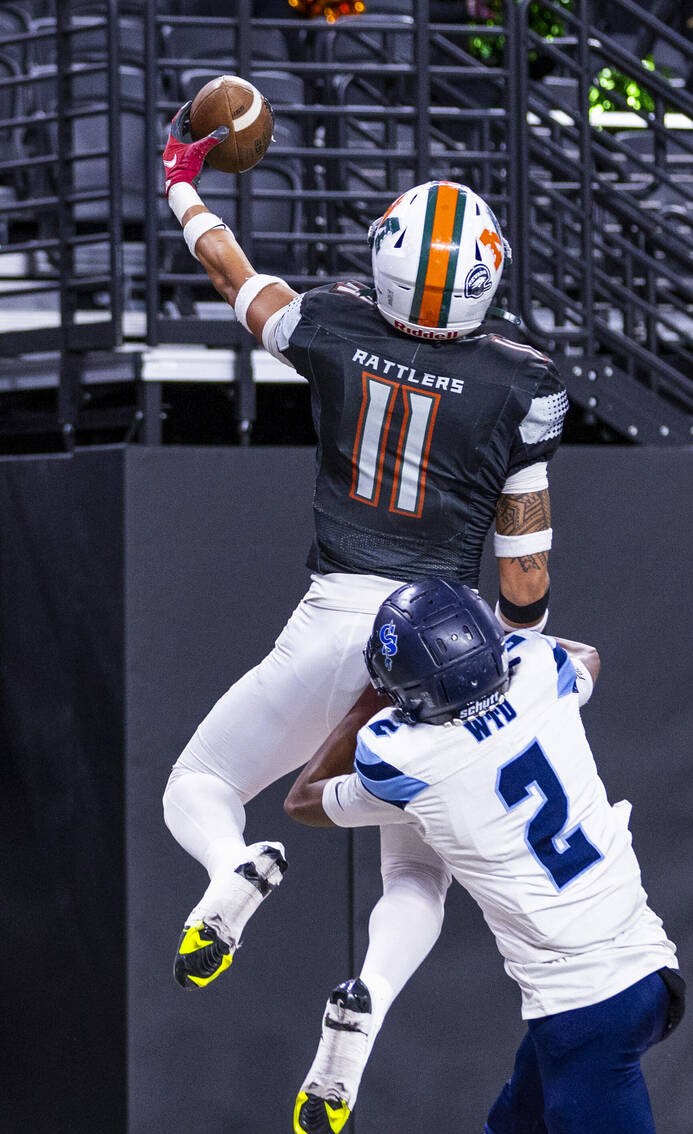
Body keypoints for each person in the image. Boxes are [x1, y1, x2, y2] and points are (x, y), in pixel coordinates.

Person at [160, 98, 568, 1028]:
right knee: (417, 869)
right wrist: (522, 650)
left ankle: (235, 870)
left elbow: (238, 281)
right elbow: (525, 576)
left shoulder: (337, 324)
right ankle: (365, 1002)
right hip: (444, 647)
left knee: (203, 784)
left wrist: (184, 185)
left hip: (338, 615)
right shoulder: (524, 382)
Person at [284, 579, 684, 1134]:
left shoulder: (404, 759)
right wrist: (490, 639)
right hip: (642, 968)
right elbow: (587, 658)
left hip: (582, 1010)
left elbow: (303, 800)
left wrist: (371, 697)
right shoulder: (540, 673)